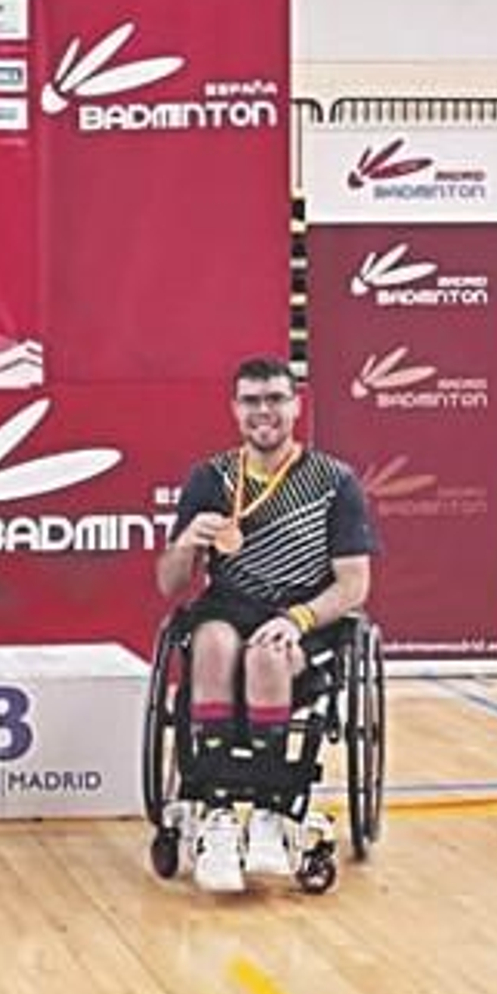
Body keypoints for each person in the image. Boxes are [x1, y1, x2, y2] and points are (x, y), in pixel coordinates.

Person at [156, 356, 378, 892]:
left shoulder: (334, 481)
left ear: (296, 405)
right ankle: (215, 814)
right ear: (235, 409)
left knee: (266, 654)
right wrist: (186, 543)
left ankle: (271, 812)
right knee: (211, 643)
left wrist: (298, 619)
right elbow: (170, 584)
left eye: (275, 399)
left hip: (301, 616)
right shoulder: (211, 478)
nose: (264, 411)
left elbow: (354, 584)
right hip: (228, 607)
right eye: (252, 400)